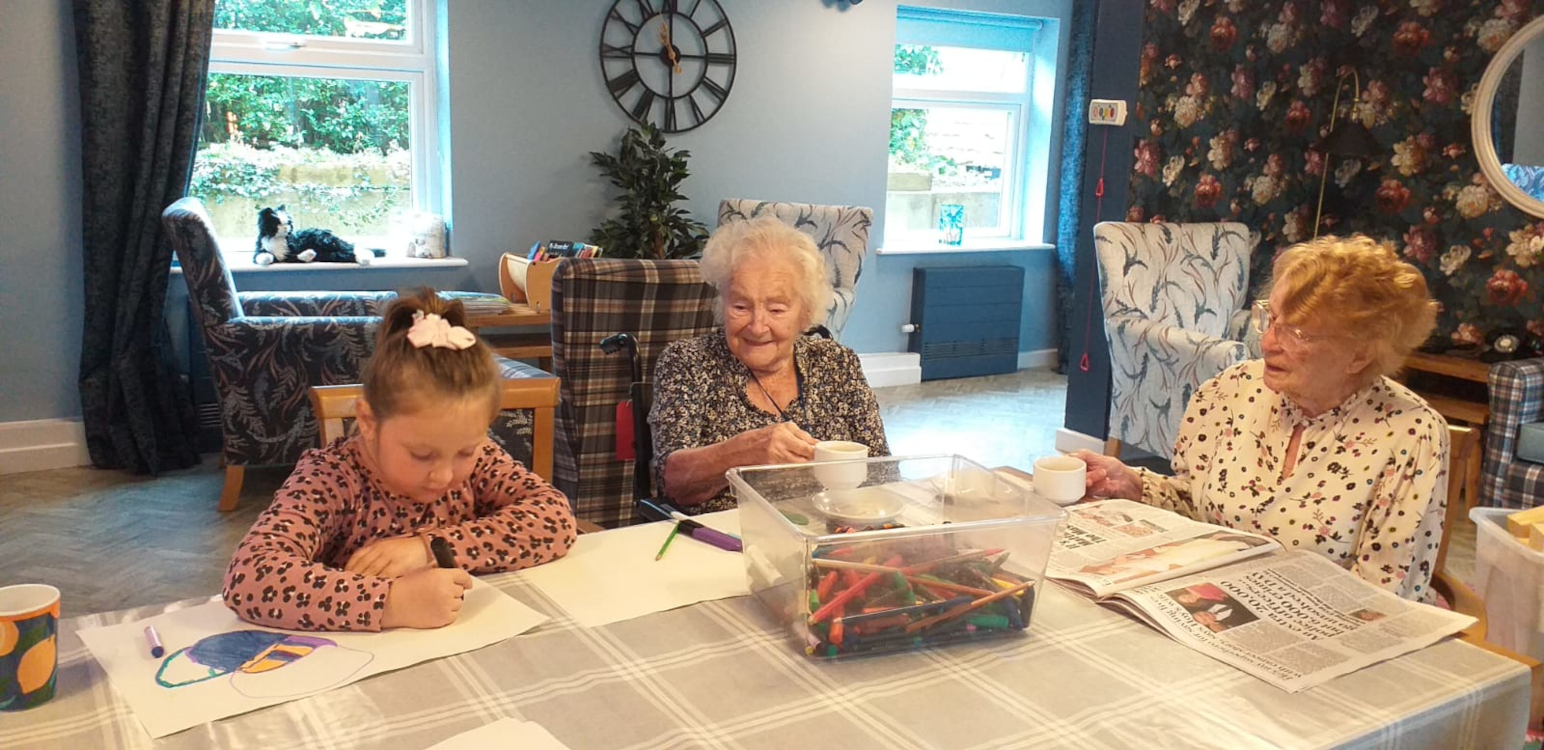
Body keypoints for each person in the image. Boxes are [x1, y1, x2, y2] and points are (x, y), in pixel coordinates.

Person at [1074, 235, 1447, 603]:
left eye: (1297, 333)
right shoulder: (1231, 389)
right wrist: (1131, 483)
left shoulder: (1410, 433)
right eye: (1271, 319)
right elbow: (1196, 503)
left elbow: (1384, 595)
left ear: (1360, 354)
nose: (1268, 343)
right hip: (1209, 605)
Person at [222, 289, 578, 631]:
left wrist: (425, 548)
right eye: (421, 454)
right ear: (368, 421)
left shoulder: (481, 460)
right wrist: (391, 603)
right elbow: (250, 576)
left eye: (465, 451)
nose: (443, 475)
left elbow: (555, 517)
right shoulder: (330, 477)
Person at [650, 216, 890, 513]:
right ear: (722, 305)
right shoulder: (689, 363)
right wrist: (740, 453)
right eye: (740, 306)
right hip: (727, 542)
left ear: (805, 314)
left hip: (832, 533)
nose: (757, 325)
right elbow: (671, 482)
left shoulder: (837, 364)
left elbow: (883, 472)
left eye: (776, 309)